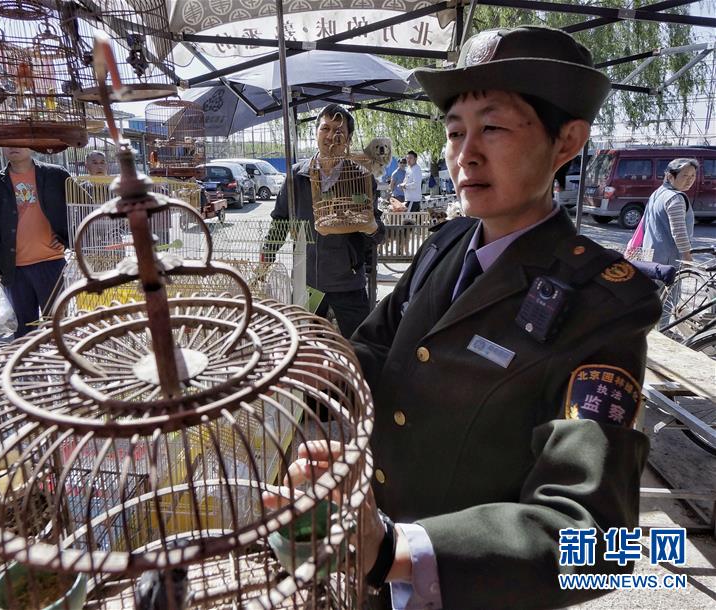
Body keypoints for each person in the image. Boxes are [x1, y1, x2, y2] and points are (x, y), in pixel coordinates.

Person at [266, 26, 661, 609]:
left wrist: (393, 550)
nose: (465, 155)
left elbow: (596, 537)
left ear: (567, 142)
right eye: (455, 133)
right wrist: (299, 374)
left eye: (493, 128)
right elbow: (377, 351)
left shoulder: (602, 305)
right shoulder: (449, 242)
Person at [264, 103, 385, 339]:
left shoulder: (361, 177)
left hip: (348, 282)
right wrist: (266, 257)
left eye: (339, 131)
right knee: (305, 345)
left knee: (360, 346)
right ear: (316, 132)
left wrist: (370, 227)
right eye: (325, 128)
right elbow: (279, 221)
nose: (331, 136)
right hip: (307, 280)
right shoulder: (297, 177)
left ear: (348, 139)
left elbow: (378, 233)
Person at [0, 146, 69, 337]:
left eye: (19, 141)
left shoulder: (56, 175)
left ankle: (61, 364)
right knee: (24, 328)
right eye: (8, 143)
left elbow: (80, 206)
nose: (13, 147)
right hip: (14, 268)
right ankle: (28, 365)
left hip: (51, 262)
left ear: (31, 145)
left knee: (57, 324)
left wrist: (67, 238)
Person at [640, 158, 698, 328]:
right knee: (667, 300)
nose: (690, 180)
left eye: (693, 176)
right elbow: (679, 231)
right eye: (685, 175)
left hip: (650, 254)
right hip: (669, 259)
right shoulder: (675, 198)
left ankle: (647, 332)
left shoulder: (658, 193)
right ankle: (662, 333)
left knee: (651, 298)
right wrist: (687, 257)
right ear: (670, 176)